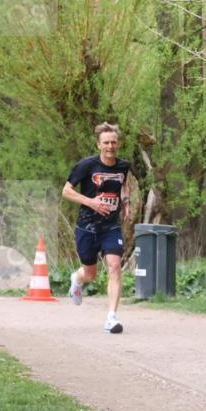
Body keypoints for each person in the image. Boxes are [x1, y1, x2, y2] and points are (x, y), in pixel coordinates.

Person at [63, 122, 132, 333]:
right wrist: (91, 202)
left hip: (111, 226)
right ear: (99, 145)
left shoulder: (123, 166)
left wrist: (126, 203)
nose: (111, 146)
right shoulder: (86, 165)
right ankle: (77, 278)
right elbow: (66, 191)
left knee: (114, 266)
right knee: (90, 274)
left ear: (117, 143)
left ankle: (111, 318)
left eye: (114, 142)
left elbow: (124, 184)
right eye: (106, 143)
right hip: (87, 227)